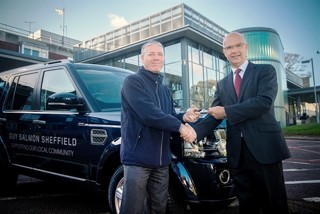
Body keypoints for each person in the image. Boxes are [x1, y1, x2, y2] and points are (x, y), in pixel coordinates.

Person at [193, 32, 291, 213]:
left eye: (238, 45)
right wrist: (194, 132)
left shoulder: (265, 71)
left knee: (274, 205)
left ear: (246, 48)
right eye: (229, 47)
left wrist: (227, 111)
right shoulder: (222, 84)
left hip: (265, 150)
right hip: (237, 154)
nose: (234, 51)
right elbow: (215, 116)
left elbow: (263, 102)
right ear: (224, 52)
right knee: (247, 206)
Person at [120, 40, 198, 214]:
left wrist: (184, 116)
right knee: (133, 209)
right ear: (142, 58)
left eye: (160, 54)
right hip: (138, 160)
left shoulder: (164, 90)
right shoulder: (132, 82)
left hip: (162, 161)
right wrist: (181, 127)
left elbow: (168, 116)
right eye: (151, 54)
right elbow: (148, 113)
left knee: (159, 209)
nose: (156, 58)